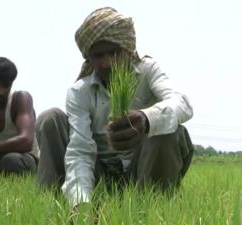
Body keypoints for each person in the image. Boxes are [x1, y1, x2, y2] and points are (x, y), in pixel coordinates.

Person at [35, 7, 194, 208]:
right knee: (50, 118)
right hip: (100, 172)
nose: (107, 63)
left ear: (128, 49)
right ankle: (53, 205)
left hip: (143, 170)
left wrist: (147, 119)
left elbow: (182, 103)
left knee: (169, 130)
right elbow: (80, 151)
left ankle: (153, 209)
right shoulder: (79, 92)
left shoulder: (148, 70)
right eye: (97, 56)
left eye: (114, 52)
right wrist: (81, 204)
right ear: (88, 59)